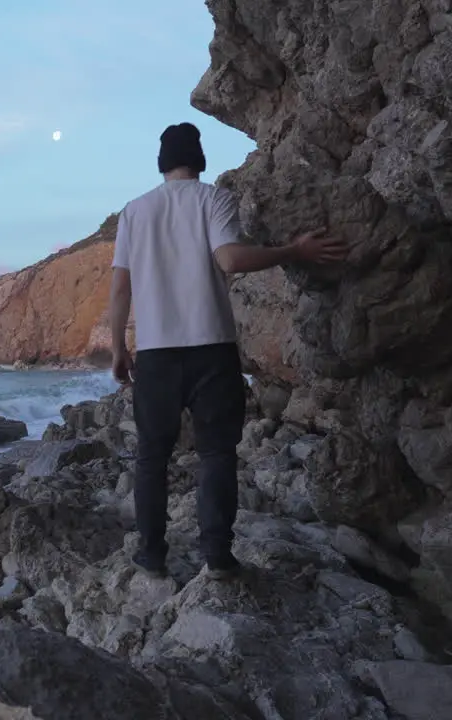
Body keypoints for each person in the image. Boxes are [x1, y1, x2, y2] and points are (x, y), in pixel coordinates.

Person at [107, 122, 348, 580]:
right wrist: (294, 250)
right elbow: (232, 260)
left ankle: (151, 555)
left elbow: (120, 289)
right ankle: (217, 555)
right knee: (217, 454)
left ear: (161, 164)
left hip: (156, 355)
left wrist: (120, 348)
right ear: (199, 159)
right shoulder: (212, 198)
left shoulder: (134, 212)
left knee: (151, 458)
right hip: (211, 350)